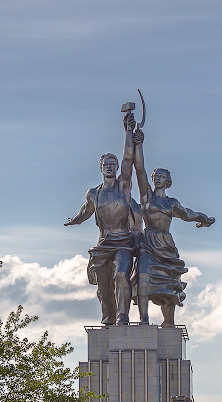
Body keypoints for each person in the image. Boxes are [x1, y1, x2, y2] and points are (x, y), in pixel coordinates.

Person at [132, 127, 214, 326]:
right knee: (143, 276)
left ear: (167, 181)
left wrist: (202, 218)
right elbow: (139, 169)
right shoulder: (146, 196)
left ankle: (168, 321)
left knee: (169, 284)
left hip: (165, 244)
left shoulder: (172, 203)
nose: (157, 178)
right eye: (155, 176)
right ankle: (144, 319)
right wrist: (139, 144)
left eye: (161, 176)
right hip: (148, 243)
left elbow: (187, 214)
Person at [65, 110, 140, 325]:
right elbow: (85, 211)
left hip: (123, 242)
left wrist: (127, 131)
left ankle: (122, 315)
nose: (109, 166)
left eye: (113, 164)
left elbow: (128, 157)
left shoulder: (124, 188)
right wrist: (75, 220)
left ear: (117, 169)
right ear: (101, 168)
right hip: (103, 243)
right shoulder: (94, 193)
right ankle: (108, 316)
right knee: (103, 285)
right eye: (106, 164)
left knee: (120, 276)